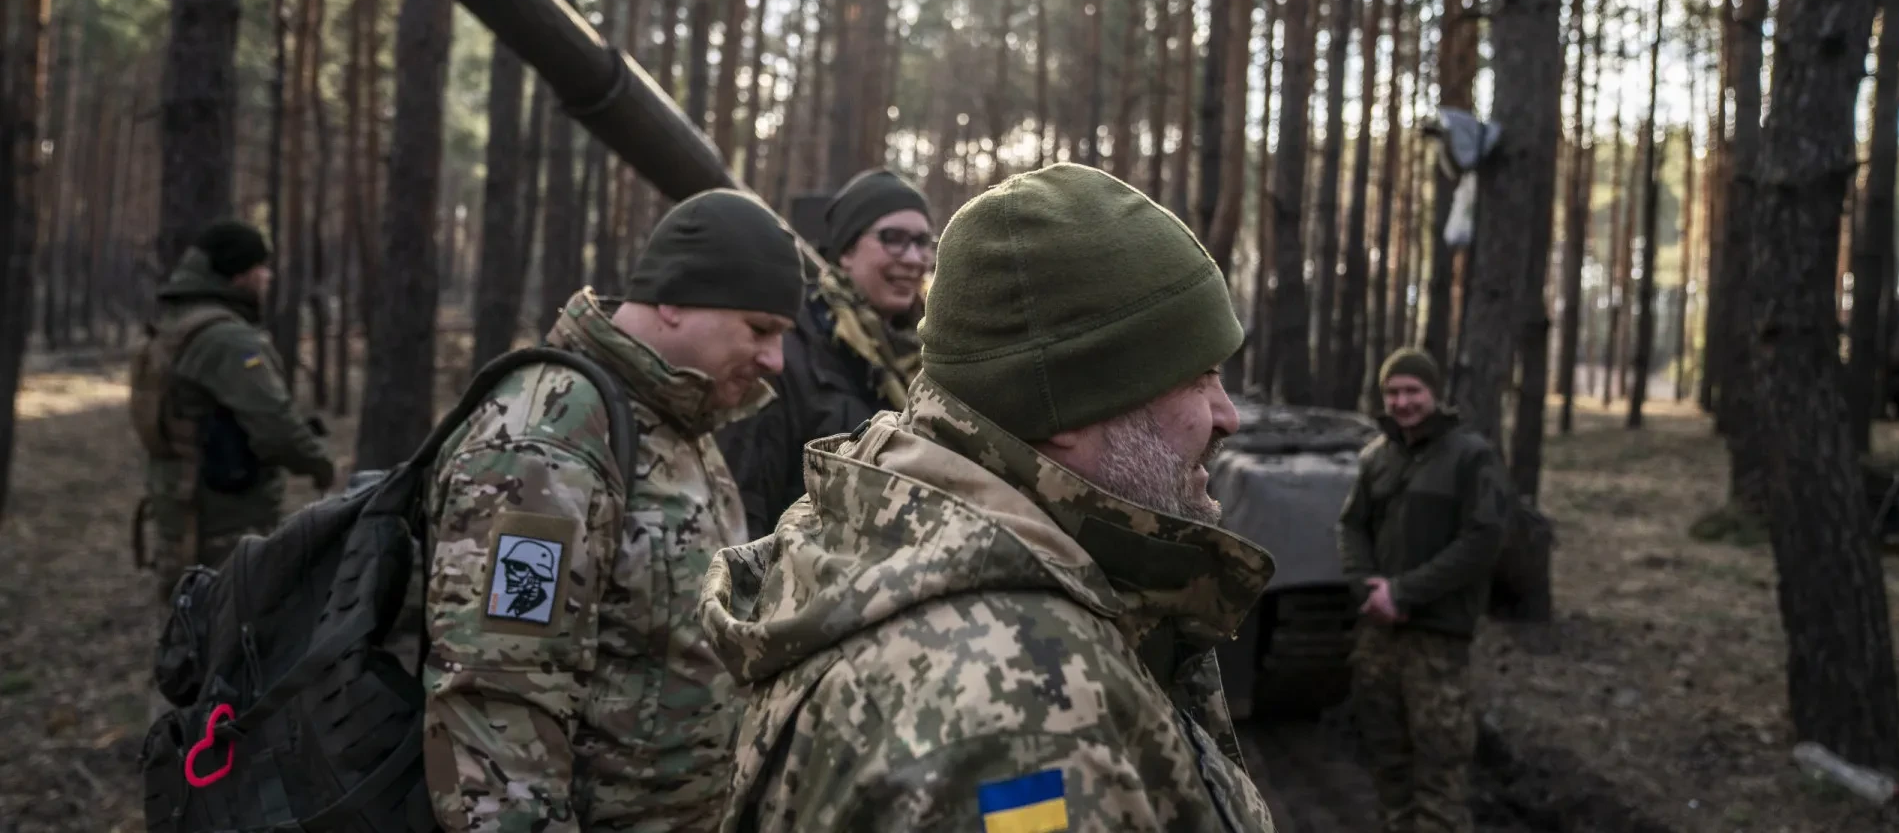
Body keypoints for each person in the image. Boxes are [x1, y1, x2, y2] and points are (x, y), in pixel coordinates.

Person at [699, 163, 1279, 832]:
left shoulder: (899, 512)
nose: (1228, 416)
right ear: (1070, 403)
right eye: (1198, 377)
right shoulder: (1023, 715)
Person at [423, 189, 805, 833]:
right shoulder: (548, 441)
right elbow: (496, 713)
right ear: (673, 300)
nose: (776, 360)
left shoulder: (675, 419)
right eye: (760, 329)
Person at [1338, 347, 1512, 833]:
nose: (1402, 401)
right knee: (1388, 759)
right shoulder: (1376, 457)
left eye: (1412, 390)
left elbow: (1483, 540)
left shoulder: (1471, 457)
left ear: (1434, 393)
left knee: (1440, 767)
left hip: (1437, 639)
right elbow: (1351, 526)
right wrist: (1367, 588)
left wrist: (1404, 592)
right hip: (1378, 635)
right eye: (1392, 392)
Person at [717, 167, 935, 538]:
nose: (914, 258)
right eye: (894, 239)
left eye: (923, 242)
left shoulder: (930, 356)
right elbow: (745, 501)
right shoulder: (786, 352)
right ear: (846, 251)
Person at [131, 220, 335, 604]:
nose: (268, 277)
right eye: (262, 268)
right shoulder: (227, 339)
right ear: (240, 275)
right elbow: (275, 425)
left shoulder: (176, 323)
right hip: (224, 519)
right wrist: (320, 463)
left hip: (180, 509)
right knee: (230, 626)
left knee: (188, 622)